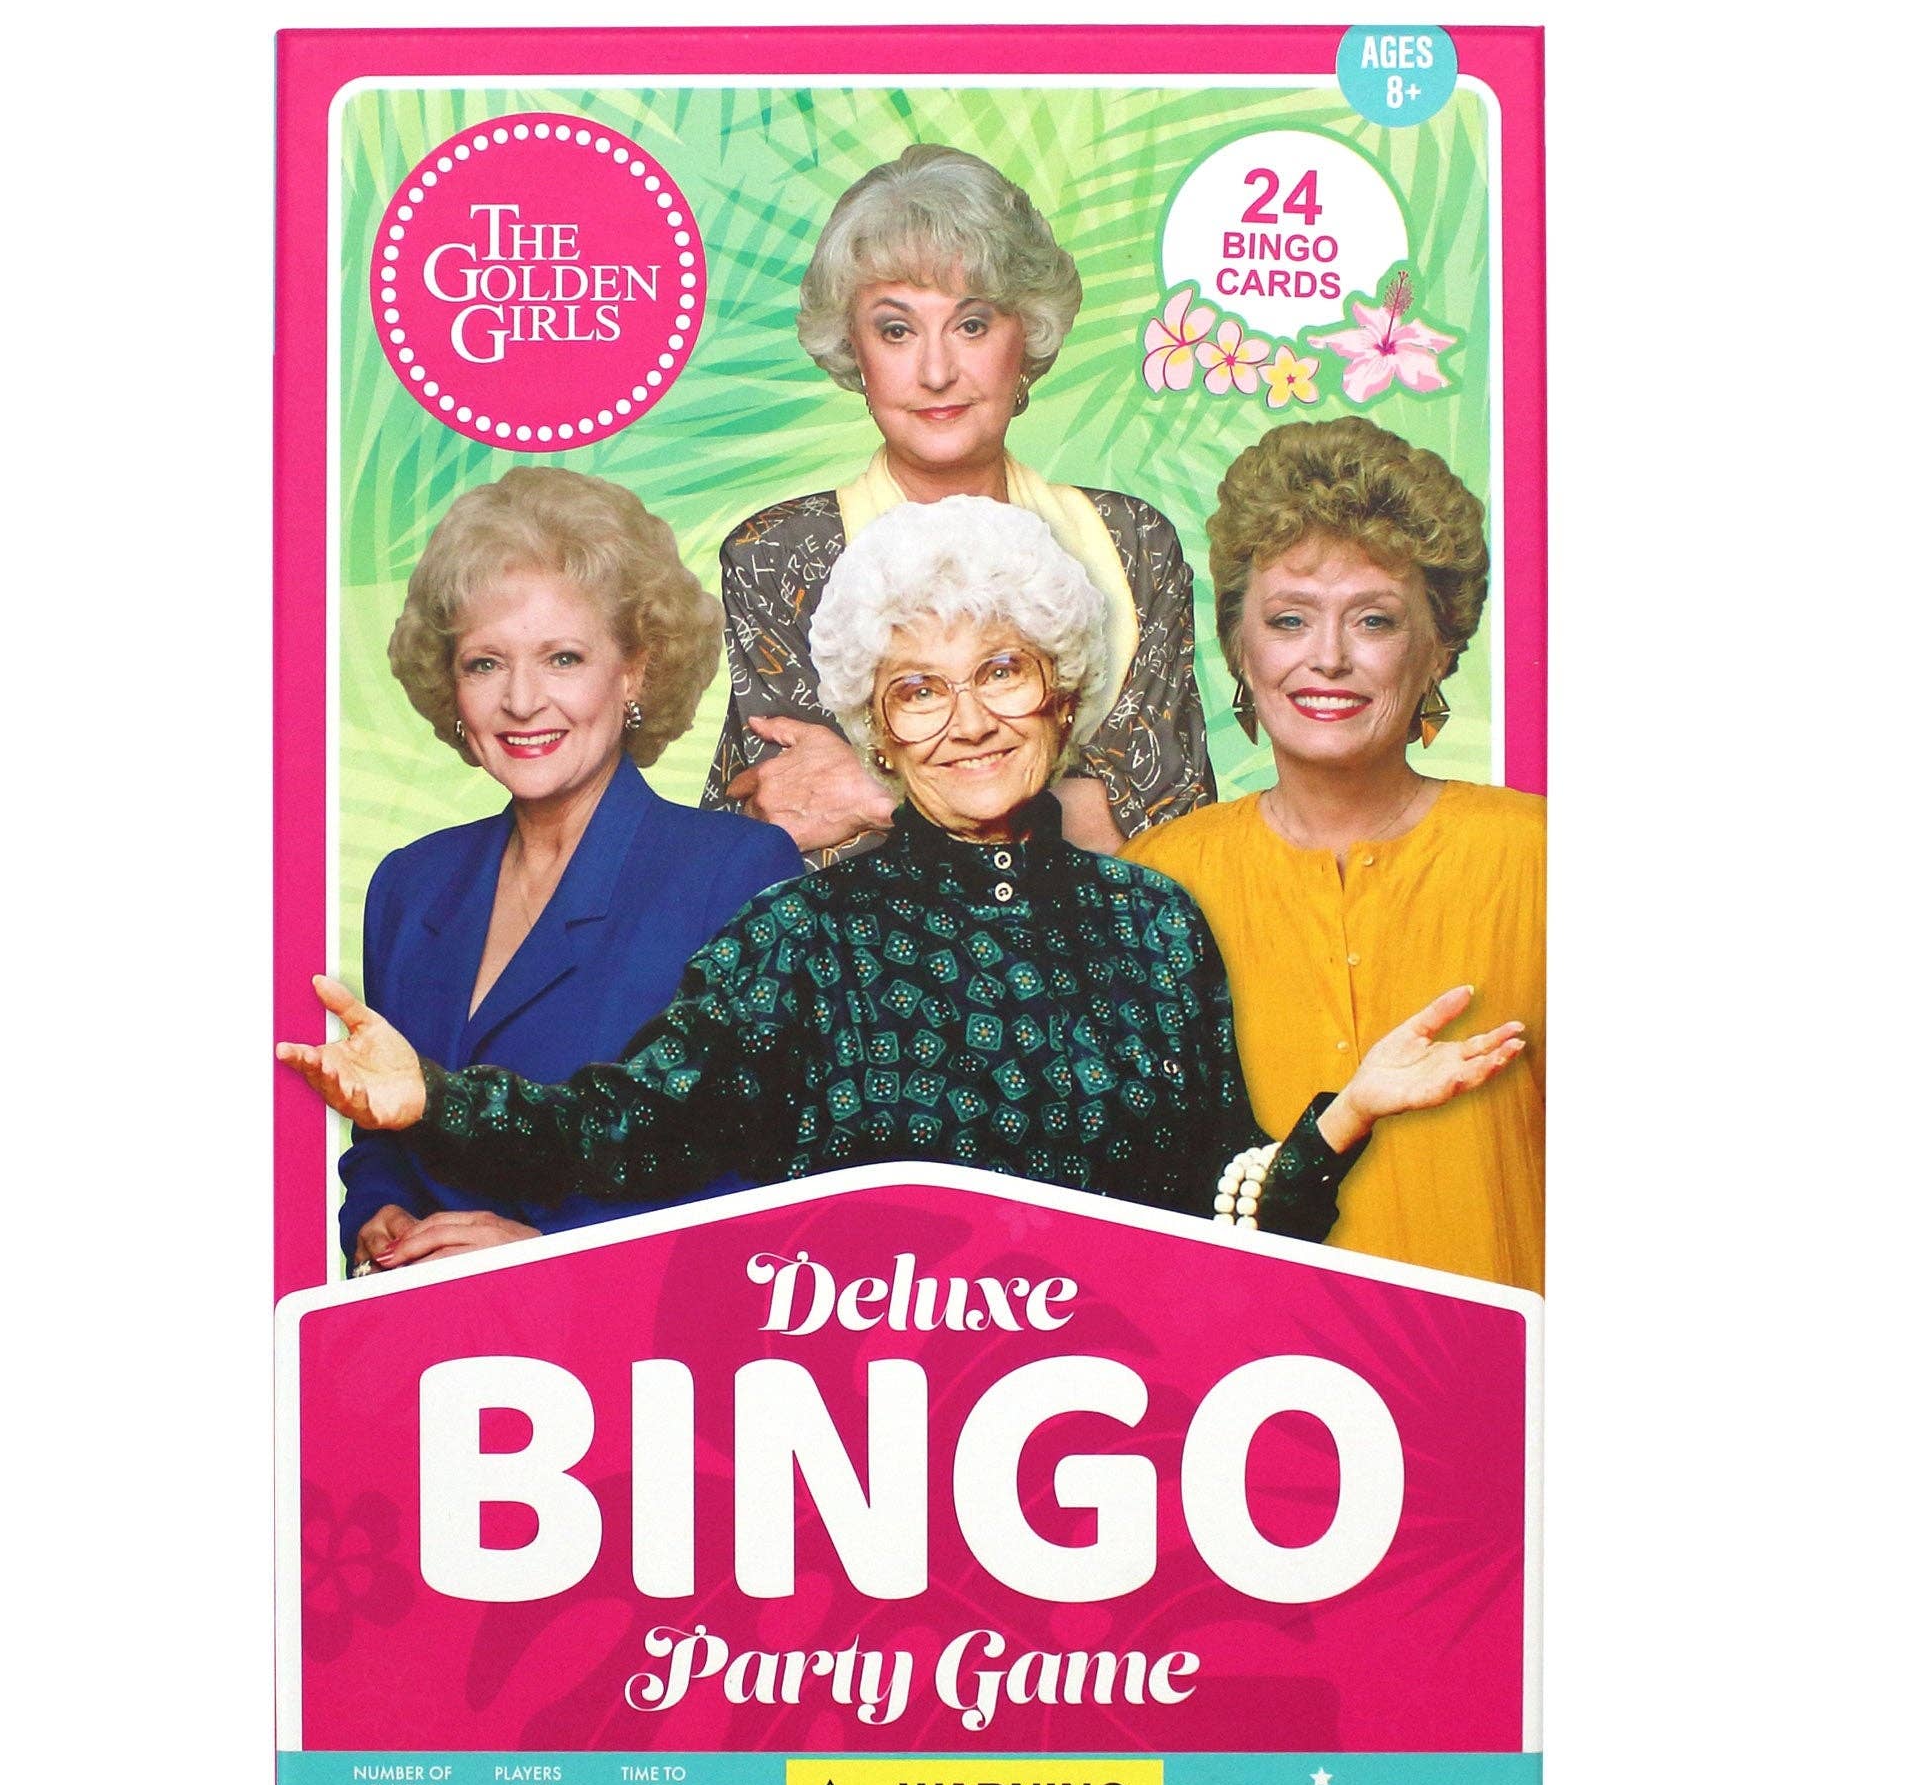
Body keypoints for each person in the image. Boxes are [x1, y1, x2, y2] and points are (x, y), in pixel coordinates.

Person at [282, 499, 1520, 1238]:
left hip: (1115, 1443)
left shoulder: (1156, 923)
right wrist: (430, 1099)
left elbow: (1222, 1206)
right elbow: (618, 1132)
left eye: (1002, 672)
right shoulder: (799, 935)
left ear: (1061, 692)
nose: (967, 722)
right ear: (877, 730)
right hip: (859, 1452)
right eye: (918, 690)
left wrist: (1344, 1119)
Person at [338, 467, 803, 1274]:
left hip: (624, 1333)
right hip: (421, 1325)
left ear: (635, 672)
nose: (522, 702)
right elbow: (383, 1131)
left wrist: (553, 1257)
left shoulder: (734, 872)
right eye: (485, 663)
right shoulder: (410, 885)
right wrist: (379, 1213)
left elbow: (769, 1172)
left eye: (562, 658)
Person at [702, 143, 1211, 864]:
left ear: (1026, 334)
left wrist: (880, 798)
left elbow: (1171, 831)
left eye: (972, 325)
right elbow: (791, 832)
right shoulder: (780, 554)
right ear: (854, 348)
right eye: (897, 330)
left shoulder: (1130, 543)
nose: (937, 371)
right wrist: (1056, 806)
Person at [1124, 417, 1544, 1291]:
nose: (1328, 659)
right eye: (1289, 620)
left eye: (1374, 621)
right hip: (1252, 1367)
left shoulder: (1543, 860)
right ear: (1240, 648)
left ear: (1439, 647)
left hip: (1509, 1360)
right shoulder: (1157, 883)